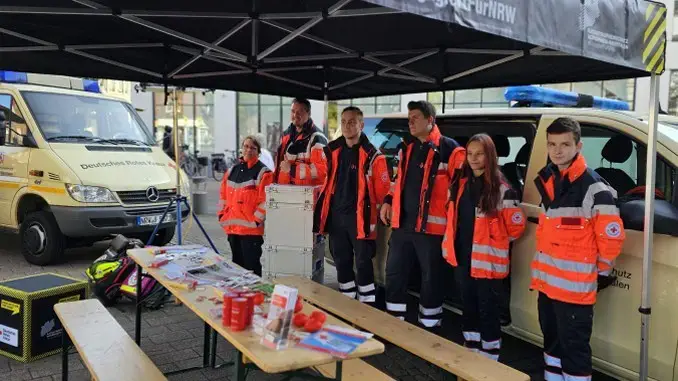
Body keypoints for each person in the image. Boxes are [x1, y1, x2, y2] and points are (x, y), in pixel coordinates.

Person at [531, 118, 625, 381]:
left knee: (574, 353)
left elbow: (611, 240)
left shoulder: (595, 189)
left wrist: (600, 275)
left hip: (574, 292)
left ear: (579, 146)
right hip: (548, 287)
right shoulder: (550, 182)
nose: (557, 151)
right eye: (552, 144)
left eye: (565, 144)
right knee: (551, 347)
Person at [379, 100, 465, 328]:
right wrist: (388, 200)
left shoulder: (451, 150)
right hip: (402, 225)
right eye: (409, 118)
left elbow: (461, 190)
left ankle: (429, 327)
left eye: (415, 117)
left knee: (432, 279)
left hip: (433, 230)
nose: (410, 122)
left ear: (430, 120)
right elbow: (397, 181)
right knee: (395, 274)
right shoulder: (406, 148)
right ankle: (394, 324)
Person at [441, 133, 526, 361]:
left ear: (490, 156)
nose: (474, 158)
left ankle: (490, 355)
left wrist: (493, 241)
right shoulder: (461, 183)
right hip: (463, 255)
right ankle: (471, 348)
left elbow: (516, 228)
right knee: (467, 305)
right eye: (470, 154)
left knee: (488, 310)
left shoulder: (502, 189)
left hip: (487, 262)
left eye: (479, 154)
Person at [313, 106, 391, 305]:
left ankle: (367, 309)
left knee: (364, 266)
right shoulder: (332, 151)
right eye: (344, 122)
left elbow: (383, 193)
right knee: (342, 263)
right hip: (337, 218)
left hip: (361, 221)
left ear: (361, 125)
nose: (347, 126)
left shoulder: (374, 156)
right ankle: (347, 306)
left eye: (352, 122)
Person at [217, 135, 273, 276]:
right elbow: (223, 196)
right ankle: (240, 297)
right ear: (242, 148)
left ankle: (257, 296)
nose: (248, 150)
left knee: (252, 269)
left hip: (250, 232)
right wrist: (222, 215)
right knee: (237, 268)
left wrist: (256, 220)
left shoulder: (263, 173)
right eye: (246, 146)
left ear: (258, 152)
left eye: (253, 148)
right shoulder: (231, 171)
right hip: (233, 229)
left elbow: (265, 201)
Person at [274, 98, 328, 186]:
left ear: (309, 113)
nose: (295, 115)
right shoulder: (285, 136)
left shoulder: (317, 137)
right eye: (293, 111)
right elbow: (279, 167)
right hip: (284, 192)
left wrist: (292, 169)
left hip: (306, 196)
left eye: (300, 112)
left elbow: (321, 170)